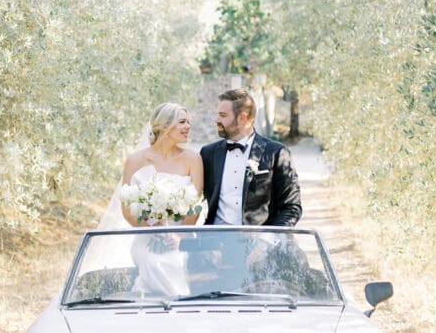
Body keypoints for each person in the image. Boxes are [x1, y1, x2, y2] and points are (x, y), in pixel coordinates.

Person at [119, 102, 203, 295]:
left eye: (188, 122)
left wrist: (178, 235)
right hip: (146, 237)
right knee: (153, 262)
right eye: (182, 122)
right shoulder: (135, 160)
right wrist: (152, 229)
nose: (188, 126)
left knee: (175, 262)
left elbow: (195, 207)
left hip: (180, 238)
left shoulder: (193, 159)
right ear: (164, 126)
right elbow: (126, 208)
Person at [200, 88, 302, 226]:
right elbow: (193, 199)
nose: (216, 119)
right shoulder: (208, 153)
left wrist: (268, 240)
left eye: (223, 115)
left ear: (242, 118)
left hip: (258, 242)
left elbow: (291, 207)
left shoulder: (276, 153)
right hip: (215, 241)